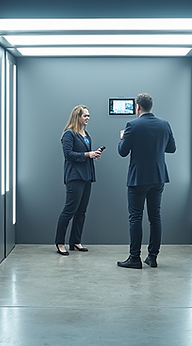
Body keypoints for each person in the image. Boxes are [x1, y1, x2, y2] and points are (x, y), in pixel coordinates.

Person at [116, 93, 176, 269]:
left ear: (138, 107)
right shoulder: (164, 124)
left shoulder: (132, 125)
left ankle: (135, 258)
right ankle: (153, 257)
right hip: (158, 177)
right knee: (155, 217)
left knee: (135, 217)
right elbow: (171, 148)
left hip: (138, 178)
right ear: (151, 106)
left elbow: (122, 152)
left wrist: (122, 138)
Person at [54, 105, 102, 255]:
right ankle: (60, 242)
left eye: (88, 115)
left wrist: (94, 154)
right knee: (69, 210)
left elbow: (85, 154)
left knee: (81, 211)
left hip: (87, 176)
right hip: (75, 177)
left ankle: (75, 241)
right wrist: (88, 154)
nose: (87, 118)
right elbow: (68, 155)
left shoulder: (86, 135)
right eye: (85, 115)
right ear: (77, 117)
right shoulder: (69, 134)